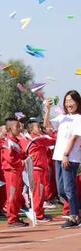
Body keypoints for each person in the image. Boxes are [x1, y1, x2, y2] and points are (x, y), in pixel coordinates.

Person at [44, 91, 81, 228]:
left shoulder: (79, 118)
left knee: (69, 188)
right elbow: (47, 125)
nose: (68, 104)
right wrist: (47, 109)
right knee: (61, 190)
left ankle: (74, 217)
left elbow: (74, 137)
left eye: (71, 101)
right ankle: (77, 210)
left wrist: (66, 154)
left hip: (71, 157)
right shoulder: (63, 117)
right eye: (66, 101)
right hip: (58, 157)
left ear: (77, 102)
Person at [22, 120, 54, 222]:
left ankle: (40, 213)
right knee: (38, 193)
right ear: (31, 130)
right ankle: (38, 215)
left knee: (41, 192)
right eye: (37, 127)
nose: (40, 129)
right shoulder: (36, 140)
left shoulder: (35, 139)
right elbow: (53, 141)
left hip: (40, 169)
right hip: (36, 169)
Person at [1, 118, 28, 227]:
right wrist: (21, 162)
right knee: (12, 195)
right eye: (17, 126)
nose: (19, 129)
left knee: (17, 195)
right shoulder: (8, 142)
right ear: (9, 128)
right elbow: (10, 158)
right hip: (11, 172)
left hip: (17, 171)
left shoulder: (16, 141)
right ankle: (12, 219)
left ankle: (15, 216)